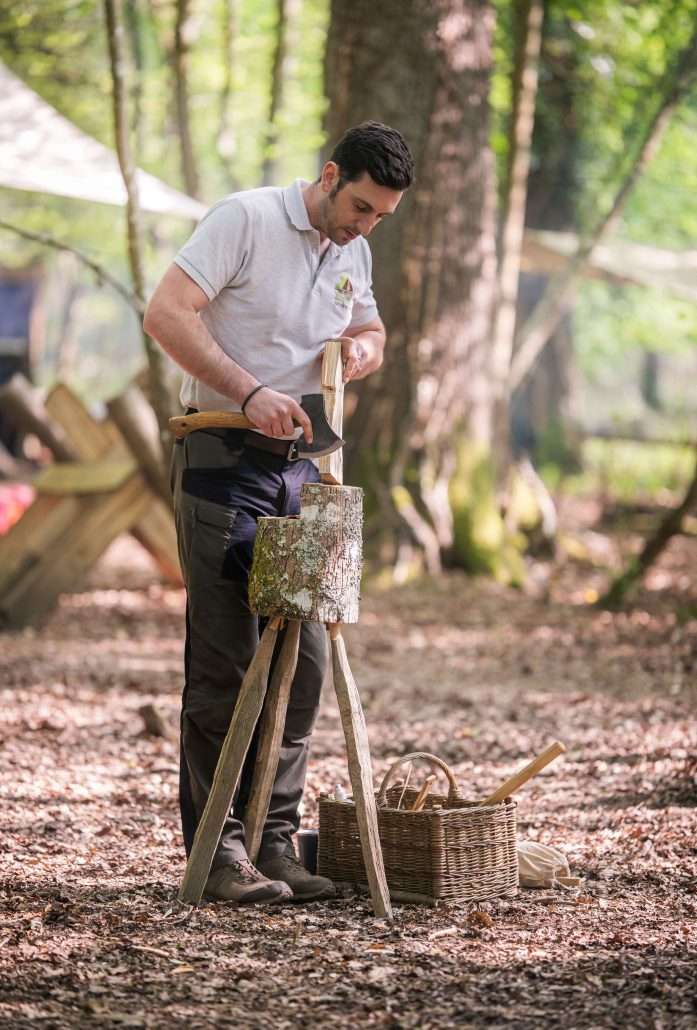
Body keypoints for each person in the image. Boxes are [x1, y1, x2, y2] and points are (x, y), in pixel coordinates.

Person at [144, 121, 414, 905]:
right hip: (221, 459)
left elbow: (369, 325)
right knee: (228, 661)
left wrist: (367, 344)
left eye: (379, 218)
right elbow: (168, 313)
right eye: (359, 206)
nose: (365, 227)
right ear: (329, 174)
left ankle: (273, 841)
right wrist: (251, 391)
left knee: (303, 671)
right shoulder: (246, 218)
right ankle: (219, 855)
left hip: (306, 473)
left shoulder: (351, 250)